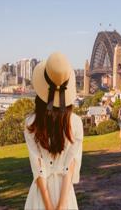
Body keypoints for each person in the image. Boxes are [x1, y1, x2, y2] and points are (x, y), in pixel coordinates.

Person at [24, 52, 83, 210]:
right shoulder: (76, 124)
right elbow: (70, 166)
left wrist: (49, 206)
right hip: (66, 196)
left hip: (40, 196)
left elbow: (38, 168)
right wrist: (62, 205)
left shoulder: (31, 124)